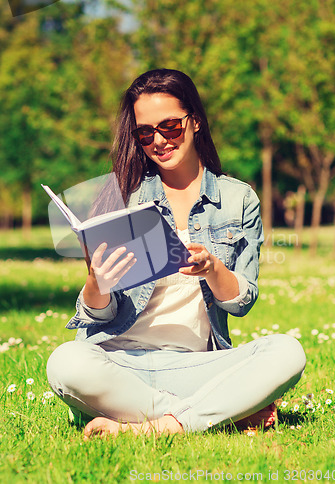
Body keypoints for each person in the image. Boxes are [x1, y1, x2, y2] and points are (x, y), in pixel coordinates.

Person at [47, 68, 306, 438]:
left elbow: (241, 301)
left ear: (195, 122)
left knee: (287, 352)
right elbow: (99, 313)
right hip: (120, 362)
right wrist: (96, 284)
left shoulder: (238, 199)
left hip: (196, 365)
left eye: (170, 126)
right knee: (65, 363)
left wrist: (213, 268)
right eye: (145, 132)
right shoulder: (124, 196)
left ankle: (149, 425)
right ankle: (206, 415)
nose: (159, 141)